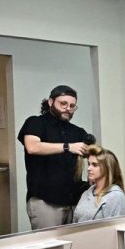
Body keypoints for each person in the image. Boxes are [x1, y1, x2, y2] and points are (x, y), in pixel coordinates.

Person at [18, 85, 90, 229]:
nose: (68, 108)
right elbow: (32, 147)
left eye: (72, 106)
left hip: (74, 201)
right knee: (48, 243)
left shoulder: (78, 131)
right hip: (45, 201)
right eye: (63, 103)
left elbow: (94, 155)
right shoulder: (35, 123)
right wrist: (68, 147)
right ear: (51, 102)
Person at [73, 145, 125, 222]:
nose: (89, 168)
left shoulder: (116, 196)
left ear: (107, 168)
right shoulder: (86, 193)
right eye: (89, 164)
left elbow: (114, 228)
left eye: (94, 165)